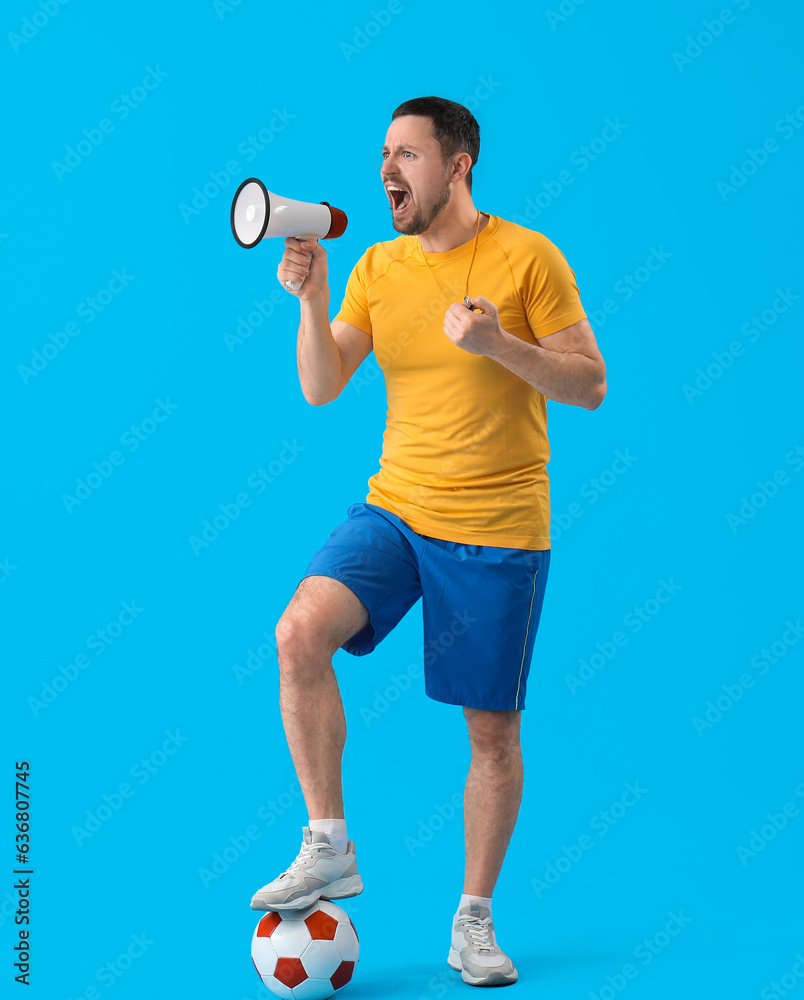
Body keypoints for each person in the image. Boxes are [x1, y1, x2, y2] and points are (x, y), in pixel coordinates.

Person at [250, 95, 606, 988]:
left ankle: (473, 925)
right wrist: (314, 296)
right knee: (298, 634)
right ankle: (328, 844)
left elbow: (591, 384)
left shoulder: (529, 258)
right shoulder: (379, 263)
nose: (387, 171)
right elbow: (323, 385)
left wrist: (500, 345)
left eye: (407, 154)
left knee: (490, 735)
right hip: (399, 511)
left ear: (458, 165)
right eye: (383, 154)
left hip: (496, 528)